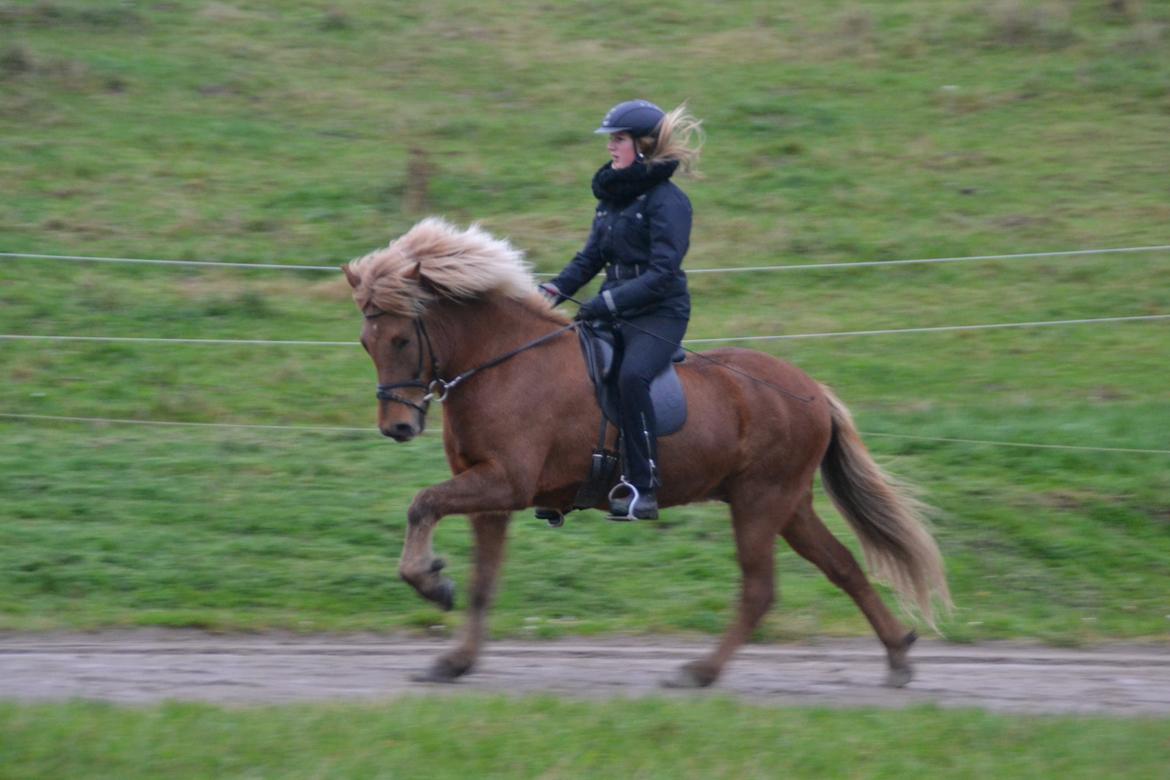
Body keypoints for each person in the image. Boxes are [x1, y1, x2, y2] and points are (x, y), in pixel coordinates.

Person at [540, 99, 703, 520]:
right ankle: (566, 482)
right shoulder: (613, 198)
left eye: (619, 139)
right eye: (610, 140)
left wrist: (607, 301)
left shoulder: (669, 202)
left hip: (658, 313)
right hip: (612, 310)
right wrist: (550, 291)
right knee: (569, 369)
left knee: (631, 378)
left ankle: (642, 487)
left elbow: (663, 273)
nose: (611, 147)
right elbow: (591, 257)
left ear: (644, 146)